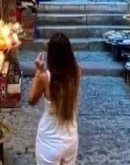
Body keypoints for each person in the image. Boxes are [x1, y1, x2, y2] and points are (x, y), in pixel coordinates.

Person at [29, 33, 81, 165]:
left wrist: (37, 72)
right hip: (70, 139)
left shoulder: (45, 77)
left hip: (49, 140)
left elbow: (31, 100)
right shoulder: (77, 72)